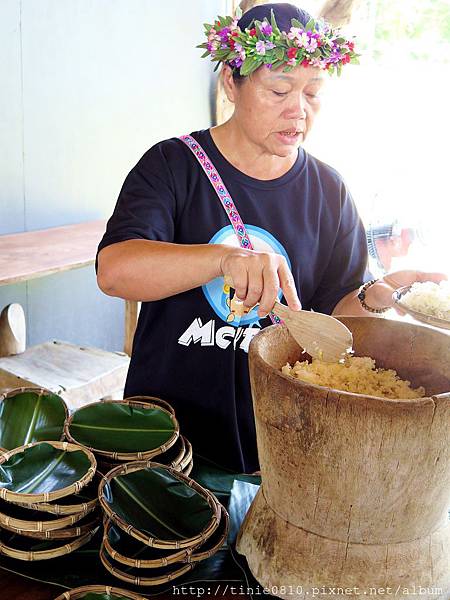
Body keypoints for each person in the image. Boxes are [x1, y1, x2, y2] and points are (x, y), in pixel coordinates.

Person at [96, 3, 445, 474]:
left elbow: (331, 315)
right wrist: (222, 259)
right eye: (279, 89)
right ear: (230, 83)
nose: (298, 110)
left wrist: (378, 296)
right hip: (167, 438)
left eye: (314, 93)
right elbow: (115, 271)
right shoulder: (173, 165)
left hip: (281, 441)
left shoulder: (328, 189)